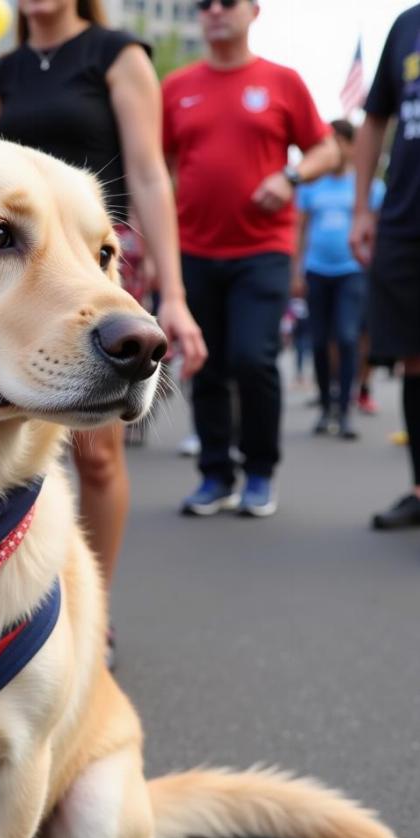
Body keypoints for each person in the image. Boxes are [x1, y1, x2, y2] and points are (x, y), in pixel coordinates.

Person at [0, 0, 206, 578]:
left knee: (98, 455)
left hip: (94, 265)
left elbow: (149, 174)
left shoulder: (118, 54)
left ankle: (92, 610)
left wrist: (173, 294)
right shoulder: (1, 74)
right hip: (17, 275)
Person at [163, 0, 338, 518]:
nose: (215, 11)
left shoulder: (282, 82)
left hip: (262, 250)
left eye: (227, 2)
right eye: (204, 4)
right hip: (193, 248)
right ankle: (216, 474)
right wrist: (155, 246)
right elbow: (158, 168)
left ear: (254, 11)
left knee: (252, 357)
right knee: (206, 363)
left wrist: (291, 177)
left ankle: (260, 471)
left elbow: (327, 149)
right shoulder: (175, 87)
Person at [350, 3, 420, 531]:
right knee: (414, 361)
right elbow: (375, 119)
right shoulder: (407, 25)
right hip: (405, 220)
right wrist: (362, 210)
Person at [293, 119, 385, 440]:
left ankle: (345, 410)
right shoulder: (310, 185)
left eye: (336, 142)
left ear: (348, 146)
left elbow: (377, 232)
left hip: (352, 272)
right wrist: (296, 271)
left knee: (347, 338)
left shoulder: (369, 187)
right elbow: (300, 229)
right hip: (316, 272)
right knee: (318, 341)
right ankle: (326, 407)